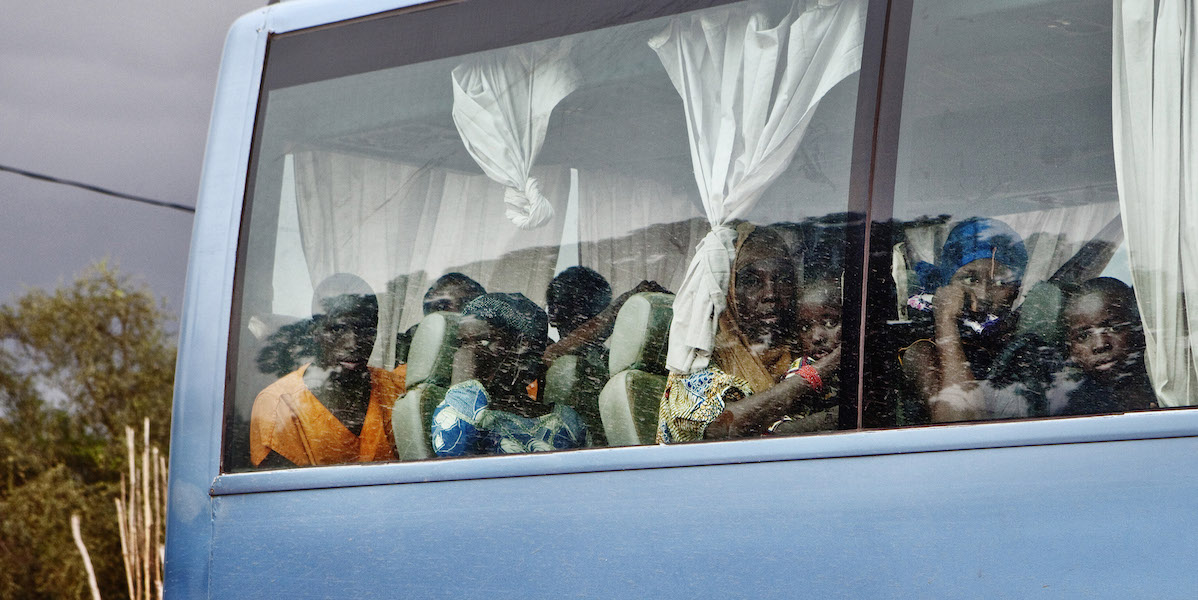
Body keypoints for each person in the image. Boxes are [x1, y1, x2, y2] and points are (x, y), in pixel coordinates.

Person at [656, 223, 840, 443]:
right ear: (730, 293)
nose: (770, 294)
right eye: (752, 282)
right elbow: (725, 429)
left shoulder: (806, 345)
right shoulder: (698, 361)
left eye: (782, 279)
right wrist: (825, 369)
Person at [249, 274, 405, 467]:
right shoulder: (279, 405)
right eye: (338, 329)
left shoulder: (396, 391)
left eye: (365, 329)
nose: (353, 342)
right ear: (315, 330)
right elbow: (287, 494)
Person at [900, 217, 1027, 422]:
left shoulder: (1026, 346)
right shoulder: (924, 350)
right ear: (946, 285)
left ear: (1016, 292)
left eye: (1001, 282)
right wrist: (946, 321)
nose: (984, 295)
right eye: (970, 279)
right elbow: (960, 421)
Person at [431, 293, 588, 456]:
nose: (470, 355)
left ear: (521, 346)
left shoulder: (566, 421)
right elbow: (451, 452)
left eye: (484, 342)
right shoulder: (460, 411)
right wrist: (464, 385)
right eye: (463, 344)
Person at [988, 277, 1155, 417]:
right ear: (1070, 349)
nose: (1100, 345)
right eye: (1083, 336)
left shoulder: (1169, 383)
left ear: (1139, 329)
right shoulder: (1070, 406)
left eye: (1114, 328)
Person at [396, 272, 486, 364]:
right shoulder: (399, 369)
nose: (453, 314)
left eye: (465, 305)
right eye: (441, 307)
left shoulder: (489, 359)